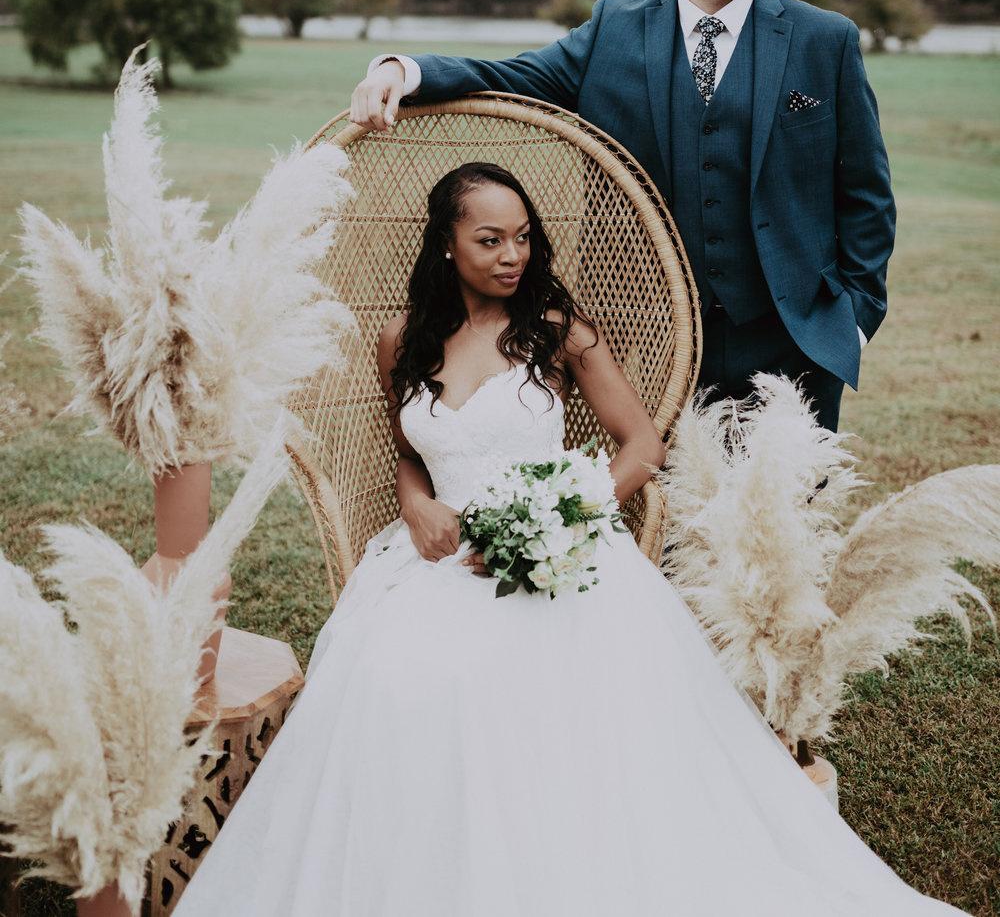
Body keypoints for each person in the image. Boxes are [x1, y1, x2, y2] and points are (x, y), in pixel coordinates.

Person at [174, 164, 960, 916]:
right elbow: (412, 455)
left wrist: (563, 514)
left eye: (522, 236)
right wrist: (416, 506)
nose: (512, 254)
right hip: (435, 564)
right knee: (393, 684)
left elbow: (642, 445)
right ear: (446, 244)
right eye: (489, 239)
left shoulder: (556, 330)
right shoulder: (402, 339)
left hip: (564, 558)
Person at [351, 0, 897, 432]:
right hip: (651, 340)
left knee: (787, 516)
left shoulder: (824, 39)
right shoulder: (615, 28)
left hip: (795, 340)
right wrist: (401, 70)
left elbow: (867, 194)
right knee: (668, 514)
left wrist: (854, 319)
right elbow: (510, 77)